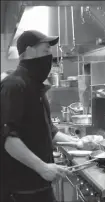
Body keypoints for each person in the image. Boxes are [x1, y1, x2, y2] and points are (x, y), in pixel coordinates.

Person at [0, 30, 81, 202]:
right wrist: (42, 167)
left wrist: (77, 142)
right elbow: (8, 139)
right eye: (45, 51)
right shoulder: (13, 86)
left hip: (40, 186)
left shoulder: (36, 87)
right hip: (22, 191)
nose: (49, 57)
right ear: (29, 52)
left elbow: (48, 130)